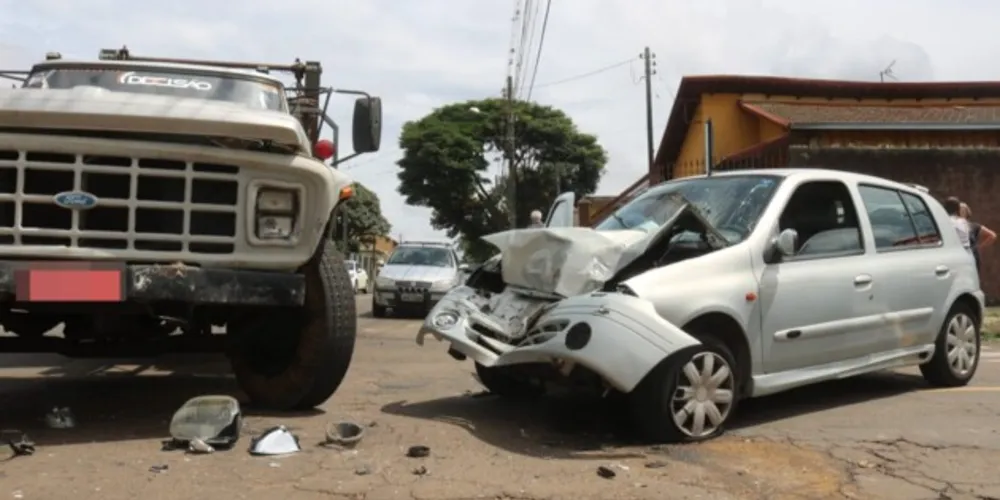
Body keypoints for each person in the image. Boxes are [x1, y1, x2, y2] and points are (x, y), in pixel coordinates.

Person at [960, 202, 996, 273]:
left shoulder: (974, 226)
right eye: (959, 211)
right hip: (959, 257)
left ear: (967, 213)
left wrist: (980, 247)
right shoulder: (952, 225)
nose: (961, 213)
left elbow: (992, 235)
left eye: (963, 211)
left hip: (972, 256)